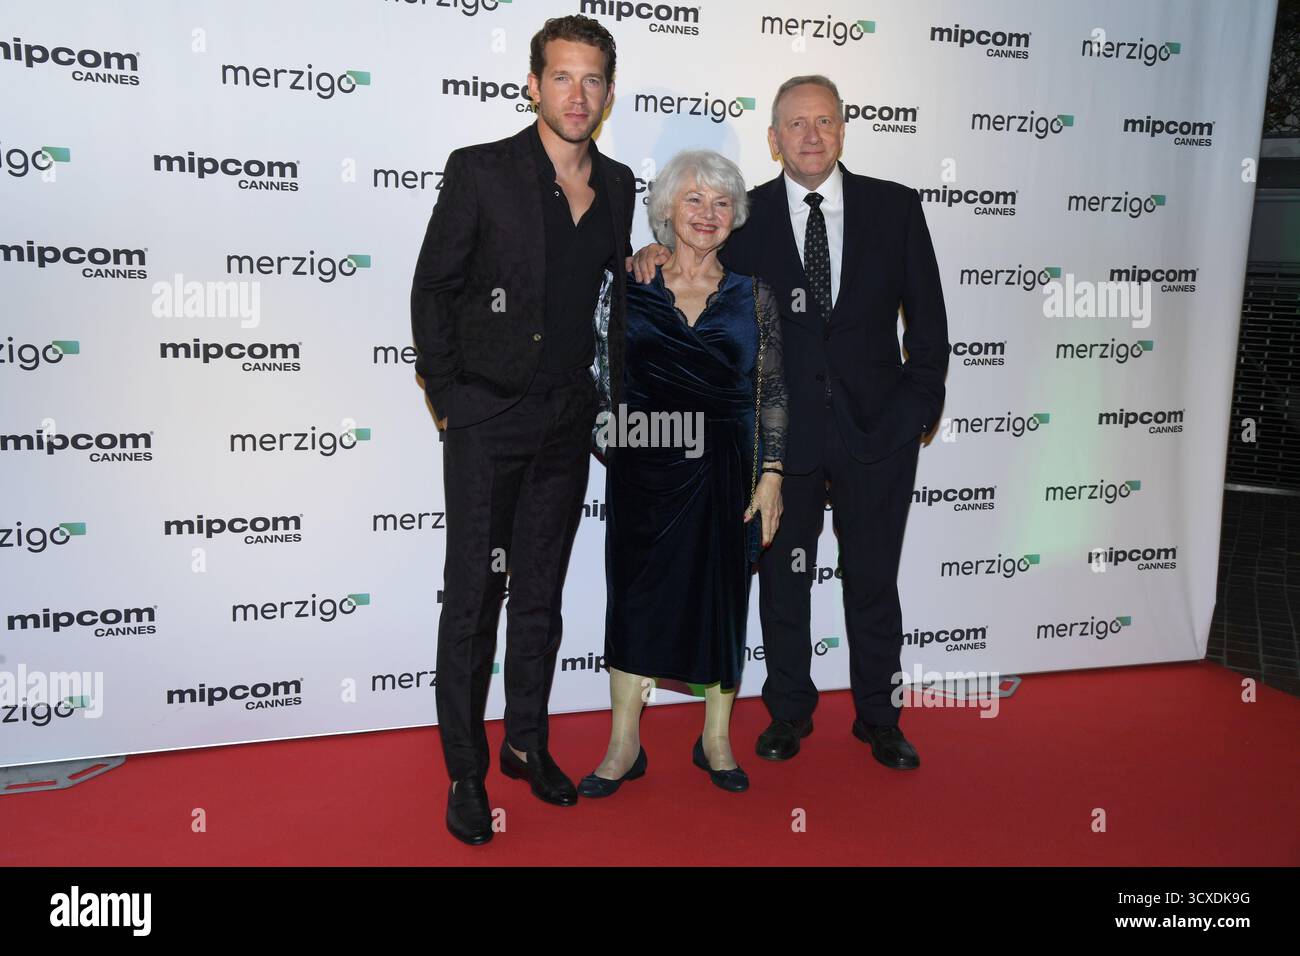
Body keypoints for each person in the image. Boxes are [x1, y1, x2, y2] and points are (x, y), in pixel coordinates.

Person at [633, 75, 949, 770]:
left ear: (843, 129)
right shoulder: (747, 218)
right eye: (796, 125)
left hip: (879, 435)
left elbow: (928, 323)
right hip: (779, 440)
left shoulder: (895, 208)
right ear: (773, 139)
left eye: (825, 121)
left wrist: (917, 409)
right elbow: (698, 261)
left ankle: (879, 718)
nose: (812, 135)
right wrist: (653, 250)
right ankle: (789, 713)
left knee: (872, 581)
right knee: (783, 582)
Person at [410, 15, 636, 845]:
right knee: (474, 600)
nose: (577, 95)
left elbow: (608, 298)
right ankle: (466, 773)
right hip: (488, 419)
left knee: (539, 595)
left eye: (593, 80)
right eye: (562, 77)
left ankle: (527, 746)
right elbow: (433, 288)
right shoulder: (482, 172)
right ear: (533, 84)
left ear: (608, 93)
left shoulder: (616, 187)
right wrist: (449, 396)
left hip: (567, 424)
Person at [580, 149, 787, 797]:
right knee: (635, 599)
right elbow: (592, 375)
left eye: (721, 202)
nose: (707, 213)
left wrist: (773, 473)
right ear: (666, 208)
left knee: (723, 601)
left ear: (735, 217)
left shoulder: (755, 296)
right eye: (693, 199)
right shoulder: (628, 284)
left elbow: (773, 390)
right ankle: (623, 744)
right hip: (647, 469)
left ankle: (715, 739)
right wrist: (623, 447)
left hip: (728, 470)